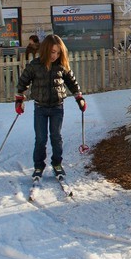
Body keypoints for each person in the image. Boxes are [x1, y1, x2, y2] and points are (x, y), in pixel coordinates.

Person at [14, 34, 87, 187]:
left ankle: (57, 164)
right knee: (40, 138)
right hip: (40, 107)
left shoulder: (62, 66)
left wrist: (79, 97)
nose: (55, 55)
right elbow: (23, 82)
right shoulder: (34, 65)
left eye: (58, 52)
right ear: (46, 50)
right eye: (53, 52)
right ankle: (39, 166)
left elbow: (72, 82)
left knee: (56, 137)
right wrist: (20, 99)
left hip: (57, 107)